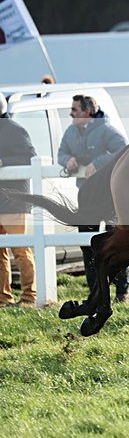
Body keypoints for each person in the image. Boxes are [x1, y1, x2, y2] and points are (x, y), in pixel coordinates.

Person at [58, 95, 129, 301]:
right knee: (87, 242)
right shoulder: (71, 131)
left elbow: (123, 149)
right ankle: (95, 291)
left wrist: (99, 162)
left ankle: (122, 291)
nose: (71, 113)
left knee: (115, 241)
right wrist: (69, 160)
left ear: (87, 112)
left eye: (74, 109)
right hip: (86, 196)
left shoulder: (107, 130)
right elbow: (61, 153)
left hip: (110, 195)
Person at [0, 94, 37, 307]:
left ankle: (29, 297)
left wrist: (3, 162)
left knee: (20, 250)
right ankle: (3, 298)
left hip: (13, 200)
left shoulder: (15, 129)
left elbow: (29, 157)